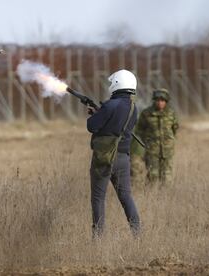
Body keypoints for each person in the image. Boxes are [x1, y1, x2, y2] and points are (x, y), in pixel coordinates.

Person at [87, 69, 140, 238]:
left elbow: (92, 126)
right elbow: (117, 125)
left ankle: (98, 238)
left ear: (117, 84)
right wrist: (100, 113)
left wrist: (96, 115)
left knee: (98, 198)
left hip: (105, 157)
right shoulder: (134, 108)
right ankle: (137, 234)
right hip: (123, 158)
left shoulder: (110, 105)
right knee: (126, 197)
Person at [135, 89, 179, 187]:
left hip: (167, 150)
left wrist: (169, 141)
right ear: (154, 101)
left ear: (166, 102)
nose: (160, 103)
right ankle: (152, 197)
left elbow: (175, 128)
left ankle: (166, 197)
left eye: (162, 100)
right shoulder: (146, 114)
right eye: (157, 100)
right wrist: (147, 141)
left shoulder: (171, 113)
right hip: (152, 150)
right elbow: (139, 130)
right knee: (152, 176)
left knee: (167, 177)